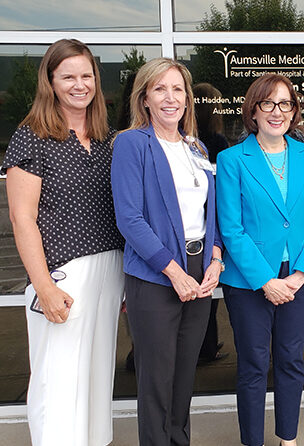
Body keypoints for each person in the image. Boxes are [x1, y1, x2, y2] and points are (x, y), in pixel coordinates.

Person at [1, 39, 124, 446]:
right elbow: (22, 220)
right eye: (68, 76)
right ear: (50, 82)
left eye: (86, 75)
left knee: (95, 375)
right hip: (63, 274)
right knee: (57, 381)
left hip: (110, 269)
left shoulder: (108, 137)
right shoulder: (31, 136)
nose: (79, 84)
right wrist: (44, 286)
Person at [111, 57, 223, 446]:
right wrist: (174, 272)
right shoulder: (131, 143)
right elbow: (129, 218)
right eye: (160, 89)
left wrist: (215, 259)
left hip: (199, 269)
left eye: (178, 89)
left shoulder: (196, 146)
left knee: (183, 377)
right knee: (156, 380)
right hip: (156, 273)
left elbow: (213, 214)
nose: (170, 97)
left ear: (188, 98)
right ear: (144, 98)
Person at [216, 73, 304, 446]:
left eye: (285, 104)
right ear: (253, 110)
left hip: (297, 276)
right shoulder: (232, 160)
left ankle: (288, 438)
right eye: (268, 103)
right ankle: (253, 441)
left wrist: (300, 274)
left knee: (291, 361)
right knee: (252, 364)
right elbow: (231, 229)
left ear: (295, 111)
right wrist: (266, 281)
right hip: (250, 280)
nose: (277, 112)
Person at [192, 82, 230, 364]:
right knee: (208, 292)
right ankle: (206, 347)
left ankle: (201, 348)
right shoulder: (214, 143)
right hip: (210, 223)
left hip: (204, 226)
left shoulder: (194, 141)